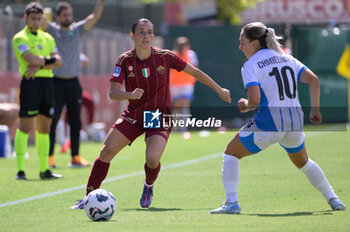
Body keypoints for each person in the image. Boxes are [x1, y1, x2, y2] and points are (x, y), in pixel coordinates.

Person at [70, 18, 231, 209]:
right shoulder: (124, 60)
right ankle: (88, 198)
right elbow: (112, 93)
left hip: (158, 116)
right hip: (134, 114)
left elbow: (194, 72)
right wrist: (129, 94)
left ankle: (148, 185)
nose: (146, 36)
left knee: (152, 159)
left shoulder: (165, 56)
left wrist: (219, 89)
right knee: (106, 151)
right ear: (133, 36)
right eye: (141, 32)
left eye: (149, 32)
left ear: (153, 36)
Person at [210, 22, 346, 214]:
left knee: (231, 153)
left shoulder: (250, 65)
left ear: (255, 43)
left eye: (242, 42)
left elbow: (255, 100)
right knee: (304, 162)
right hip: (295, 124)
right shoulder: (287, 58)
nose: (240, 47)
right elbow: (314, 80)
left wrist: (245, 105)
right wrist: (315, 110)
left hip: (269, 124)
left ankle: (232, 203)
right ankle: (333, 198)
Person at [40, 0, 105, 168]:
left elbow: (94, 17)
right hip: (55, 83)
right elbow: (39, 16)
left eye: (70, 14)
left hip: (73, 83)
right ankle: (50, 158)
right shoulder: (52, 30)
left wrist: (101, 2)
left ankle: (75, 156)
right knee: (53, 121)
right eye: (65, 15)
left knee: (75, 121)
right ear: (58, 16)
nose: (68, 17)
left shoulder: (77, 30)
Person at [12, 2, 63, 180]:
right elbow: (29, 59)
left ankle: (44, 170)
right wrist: (45, 61)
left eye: (39, 18)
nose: (36, 21)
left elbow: (59, 61)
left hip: (47, 84)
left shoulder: (48, 37)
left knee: (44, 128)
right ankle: (20, 170)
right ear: (26, 18)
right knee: (25, 127)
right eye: (33, 18)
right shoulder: (19, 38)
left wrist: (38, 63)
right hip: (30, 83)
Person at [170, 36, 198, 138]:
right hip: (175, 84)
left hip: (187, 84)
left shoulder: (191, 54)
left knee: (185, 104)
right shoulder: (172, 54)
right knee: (176, 106)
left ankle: (183, 129)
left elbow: (195, 69)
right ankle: (175, 128)